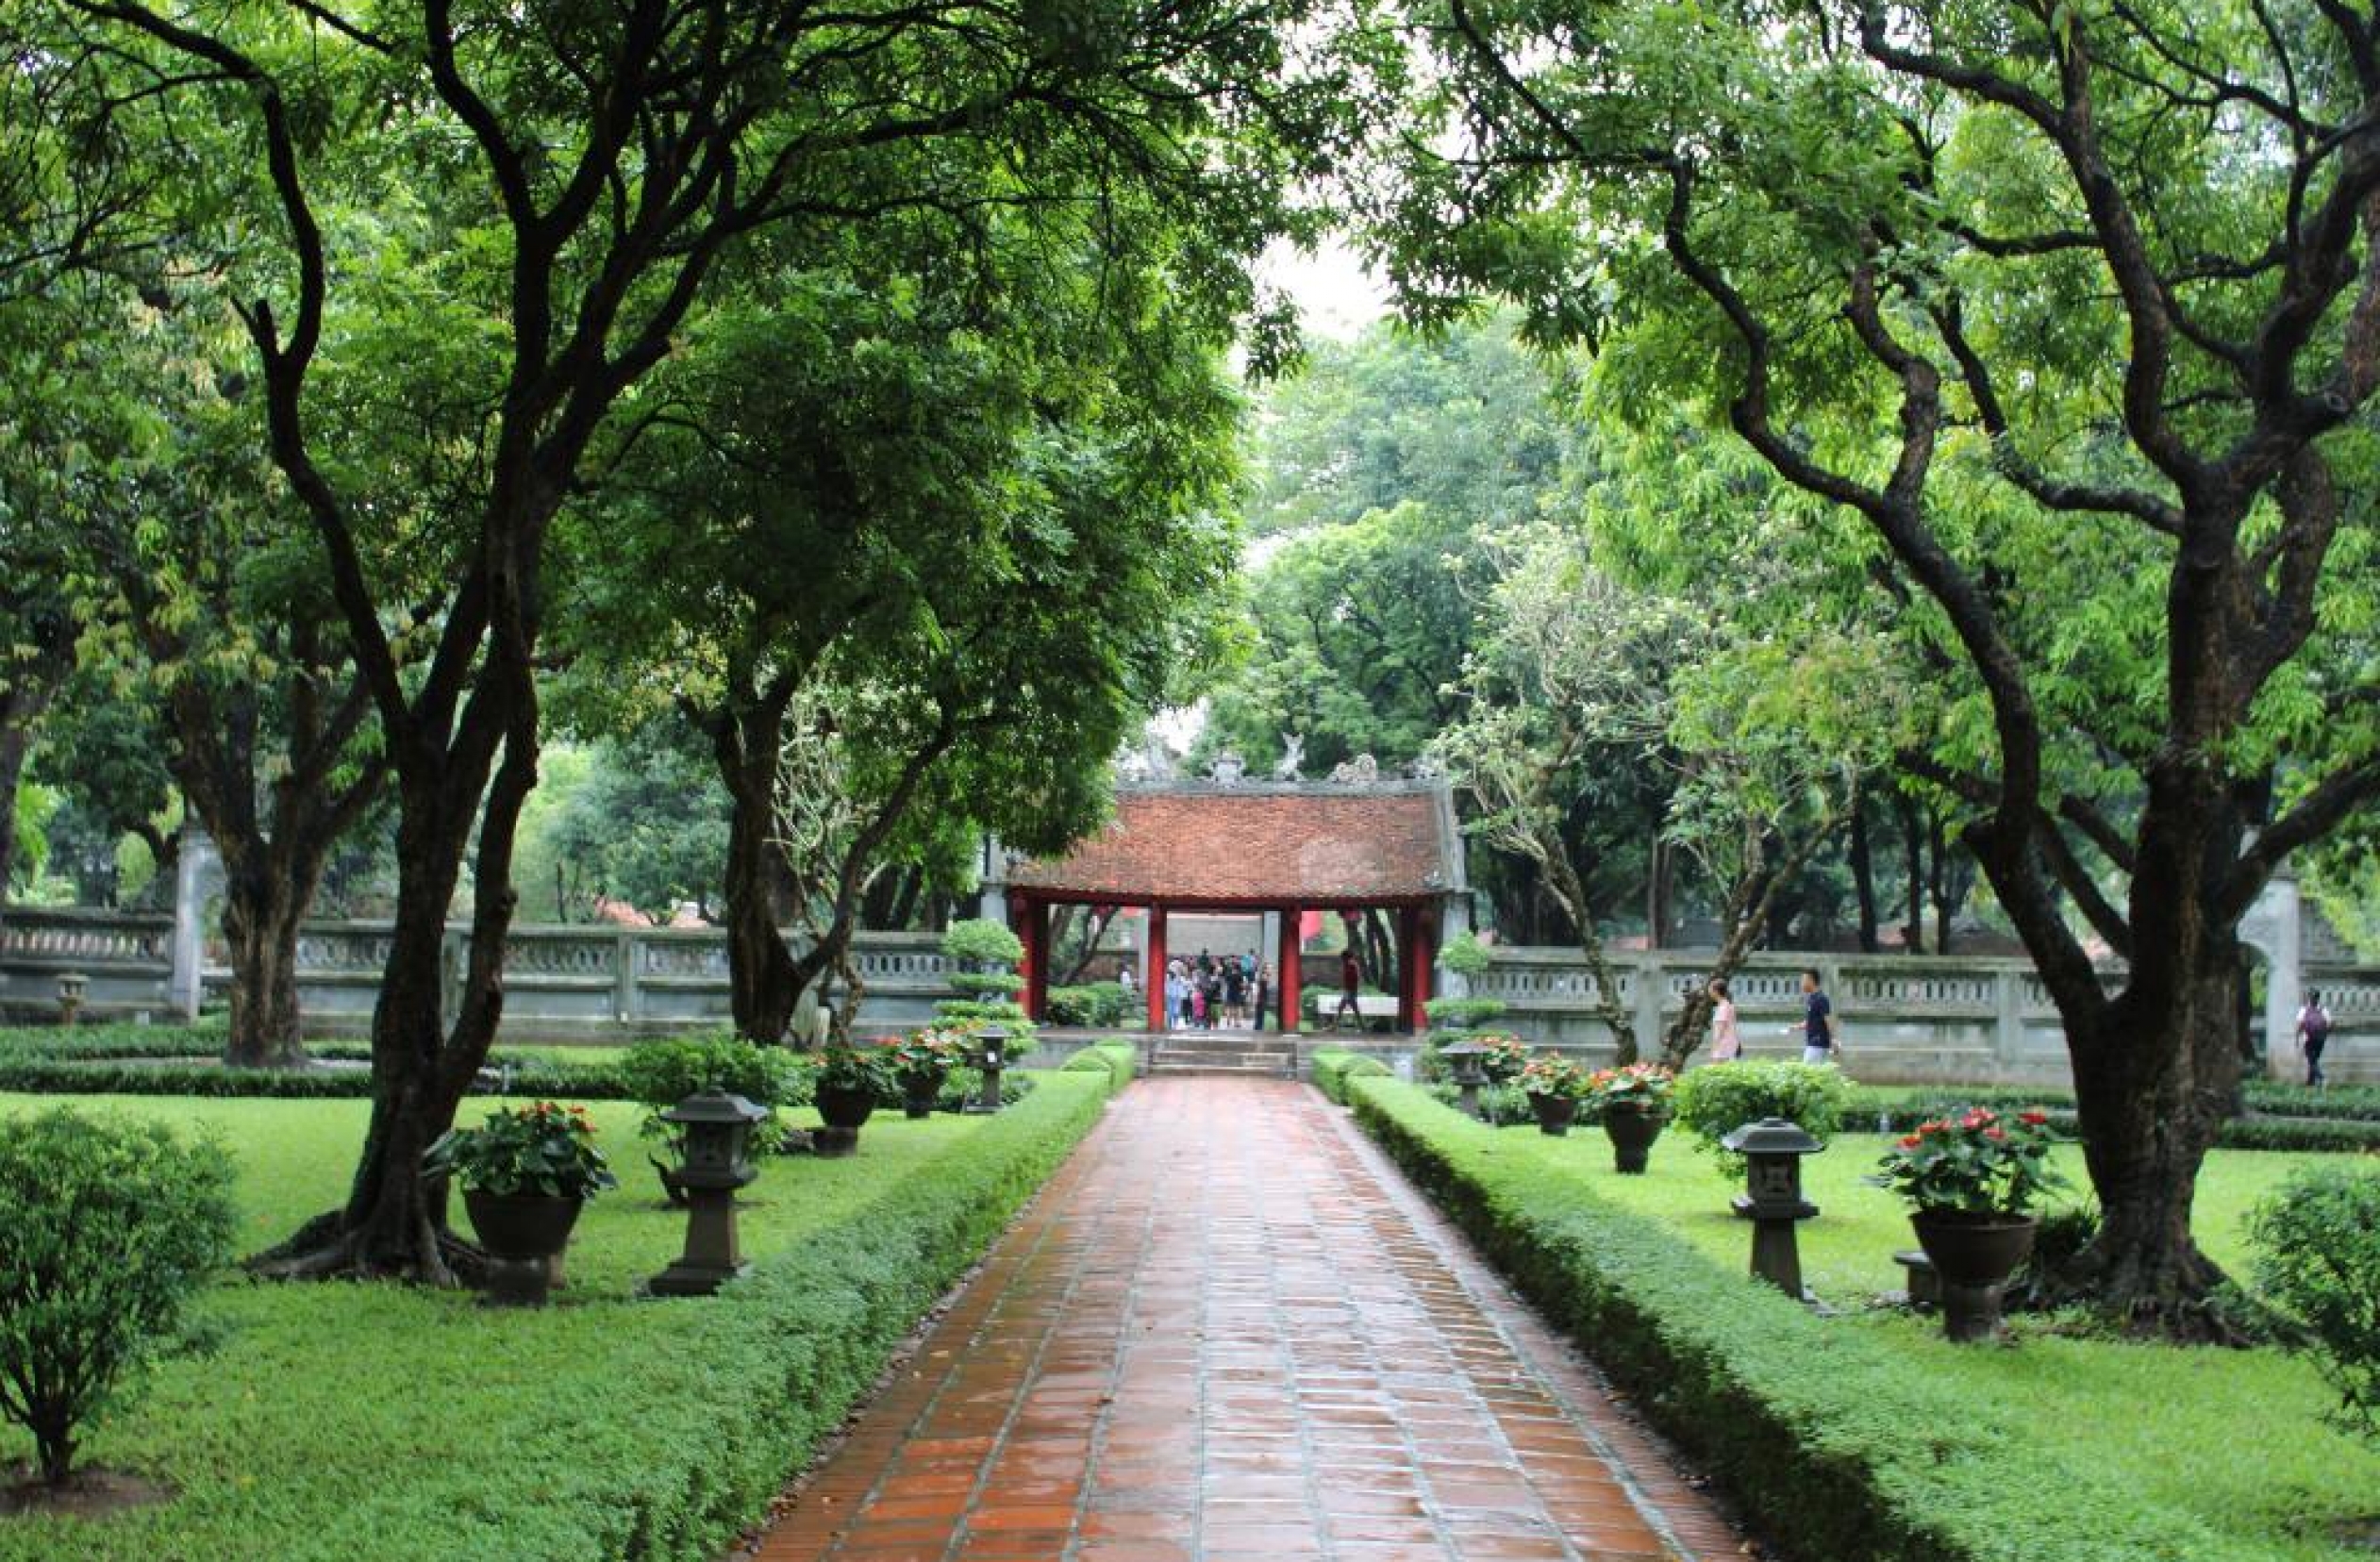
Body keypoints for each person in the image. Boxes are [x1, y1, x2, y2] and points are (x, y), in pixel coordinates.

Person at [1784, 969, 1836, 1065]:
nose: (1801, 984)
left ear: (1811, 980)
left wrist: (1833, 1040)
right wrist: (1794, 1027)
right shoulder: (1812, 998)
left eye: (1803, 980)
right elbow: (1810, 1021)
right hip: (1813, 1043)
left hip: (1818, 1044)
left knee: (1808, 1072)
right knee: (1813, 1074)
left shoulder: (1821, 999)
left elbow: (1829, 1021)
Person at [2299, 988, 2333, 1088]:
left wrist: (2297, 1037)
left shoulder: (2304, 1009)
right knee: (2314, 1060)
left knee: (2312, 1061)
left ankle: (2322, 1079)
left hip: (2308, 1038)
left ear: (2309, 997)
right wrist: (2325, 1035)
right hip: (2320, 1039)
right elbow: (2330, 1024)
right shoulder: (2324, 1009)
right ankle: (2310, 1082)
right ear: (2318, 998)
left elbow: (2300, 1024)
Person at [1706, 977, 1741, 1062]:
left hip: (1723, 1048)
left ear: (1716, 991)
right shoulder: (1728, 1005)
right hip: (1730, 1046)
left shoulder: (1723, 1008)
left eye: (1710, 989)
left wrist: (1714, 1050)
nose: (1709, 992)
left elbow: (1720, 1031)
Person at [1335, 949, 1363, 1031]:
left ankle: (1334, 1026)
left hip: (1351, 990)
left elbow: (1357, 977)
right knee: (1345, 1007)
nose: (1342, 960)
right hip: (1348, 989)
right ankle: (1362, 1026)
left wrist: (1354, 987)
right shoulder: (1348, 964)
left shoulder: (1352, 964)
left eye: (1342, 958)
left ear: (1346, 957)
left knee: (1343, 1007)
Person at [1223, 958, 1247, 1027]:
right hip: (1237, 992)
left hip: (1230, 992)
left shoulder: (1228, 974)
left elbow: (1226, 982)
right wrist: (1243, 987)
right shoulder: (1240, 975)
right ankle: (1237, 1022)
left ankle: (1228, 1018)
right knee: (1238, 1007)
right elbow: (1242, 985)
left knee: (1229, 1007)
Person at [1253, 961, 1273, 1032]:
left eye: (1271, 968)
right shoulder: (1264, 977)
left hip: (1262, 998)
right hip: (1260, 998)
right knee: (1260, 1015)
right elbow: (1258, 988)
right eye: (1269, 968)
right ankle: (1258, 1029)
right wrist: (1255, 998)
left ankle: (1258, 1029)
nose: (1271, 970)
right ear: (1265, 969)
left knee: (1260, 1015)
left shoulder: (1264, 976)